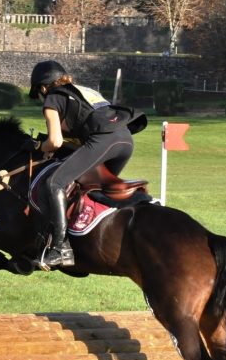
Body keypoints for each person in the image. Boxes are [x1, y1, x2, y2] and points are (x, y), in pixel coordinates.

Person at [28, 60, 145, 269]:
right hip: (125, 140)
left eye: (39, 94)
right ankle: (90, 238)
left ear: (43, 87)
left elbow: (54, 141)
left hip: (104, 140)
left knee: (54, 183)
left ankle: (60, 249)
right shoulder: (83, 91)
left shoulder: (53, 98)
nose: (40, 99)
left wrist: (39, 146)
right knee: (89, 185)